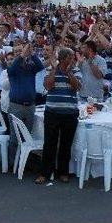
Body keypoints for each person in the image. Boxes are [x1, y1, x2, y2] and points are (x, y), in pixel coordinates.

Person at [35, 47, 81, 184]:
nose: (73, 60)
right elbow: (48, 86)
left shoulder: (76, 70)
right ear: (63, 58)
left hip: (70, 113)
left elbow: (77, 87)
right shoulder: (51, 70)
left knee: (66, 144)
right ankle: (45, 173)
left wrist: (69, 74)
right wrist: (55, 69)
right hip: (52, 112)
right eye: (71, 57)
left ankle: (63, 172)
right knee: (49, 143)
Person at [7, 43, 44, 160]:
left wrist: (32, 54)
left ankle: (24, 161)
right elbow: (12, 69)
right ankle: (12, 162)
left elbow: (40, 66)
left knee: (27, 136)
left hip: (30, 106)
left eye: (21, 51)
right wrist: (22, 55)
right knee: (14, 137)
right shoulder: (11, 66)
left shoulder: (30, 67)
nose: (20, 53)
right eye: (17, 51)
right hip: (16, 105)